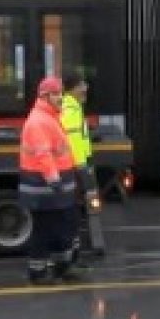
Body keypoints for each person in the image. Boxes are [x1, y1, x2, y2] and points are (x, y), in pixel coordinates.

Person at [19, 76, 82, 285]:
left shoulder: (50, 117)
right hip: (45, 188)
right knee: (45, 231)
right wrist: (55, 181)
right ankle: (38, 273)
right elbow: (43, 155)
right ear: (44, 96)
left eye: (60, 93)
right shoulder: (39, 121)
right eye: (56, 94)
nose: (60, 97)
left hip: (53, 188)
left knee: (61, 228)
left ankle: (61, 267)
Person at [60, 72, 103, 257]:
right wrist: (83, 168)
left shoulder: (74, 107)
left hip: (79, 164)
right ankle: (73, 252)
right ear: (73, 89)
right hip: (76, 167)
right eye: (82, 85)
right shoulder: (70, 110)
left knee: (76, 208)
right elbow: (72, 142)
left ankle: (75, 250)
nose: (86, 88)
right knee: (75, 209)